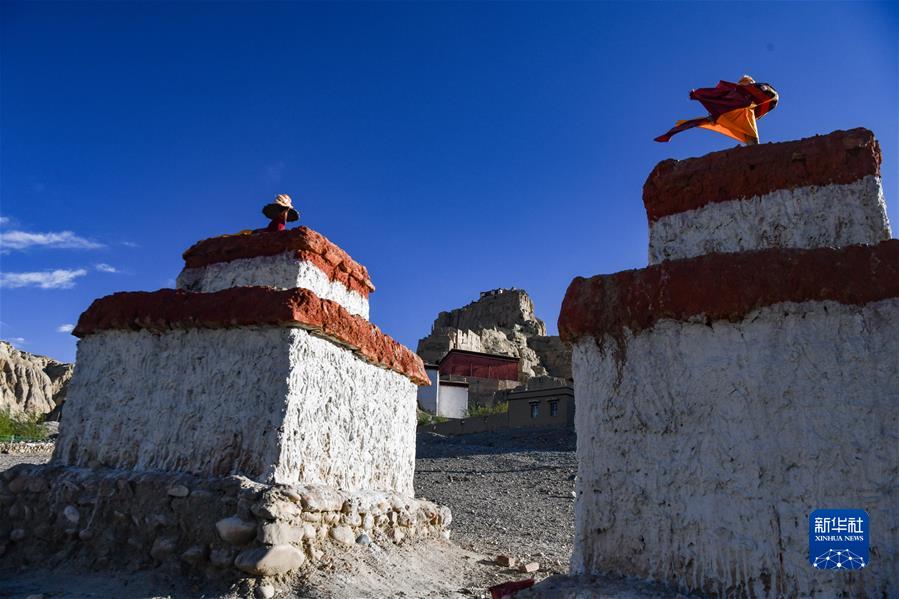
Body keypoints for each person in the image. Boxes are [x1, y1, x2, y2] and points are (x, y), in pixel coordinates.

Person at [655, 75, 779, 144]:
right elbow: (718, 100)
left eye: (751, 82)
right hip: (730, 116)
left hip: (742, 119)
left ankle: (753, 154)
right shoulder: (734, 93)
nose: (750, 83)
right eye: (748, 82)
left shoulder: (748, 99)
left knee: (752, 139)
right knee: (752, 139)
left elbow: (769, 98)